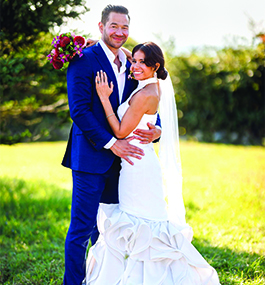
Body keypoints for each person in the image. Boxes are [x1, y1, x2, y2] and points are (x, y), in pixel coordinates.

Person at [85, 42, 220, 284]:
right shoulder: (151, 85)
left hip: (137, 166)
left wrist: (104, 98)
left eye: (141, 63)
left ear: (155, 66)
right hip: (137, 160)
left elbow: (119, 130)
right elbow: (137, 59)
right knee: (139, 223)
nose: (134, 66)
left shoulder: (145, 94)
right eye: (133, 61)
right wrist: (103, 44)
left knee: (142, 224)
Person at [62, 5, 162, 285]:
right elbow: (79, 110)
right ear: (101, 27)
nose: (120, 32)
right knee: (82, 228)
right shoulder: (83, 59)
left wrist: (158, 130)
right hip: (90, 159)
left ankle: (102, 279)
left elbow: (148, 100)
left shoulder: (133, 64)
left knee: (110, 228)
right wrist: (110, 143)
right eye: (114, 26)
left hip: (125, 164)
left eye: (125, 27)